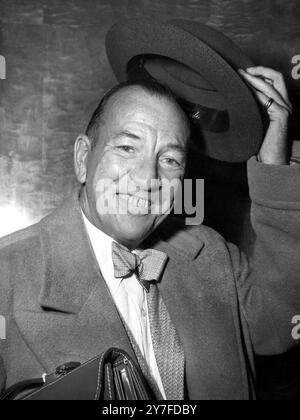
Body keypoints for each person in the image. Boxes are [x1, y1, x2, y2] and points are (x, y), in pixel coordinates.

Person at [0, 67, 299, 400]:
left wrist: (275, 163)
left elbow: (280, 326)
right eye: (127, 148)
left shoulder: (210, 252)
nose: (147, 177)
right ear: (84, 158)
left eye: (170, 159)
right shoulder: (7, 275)